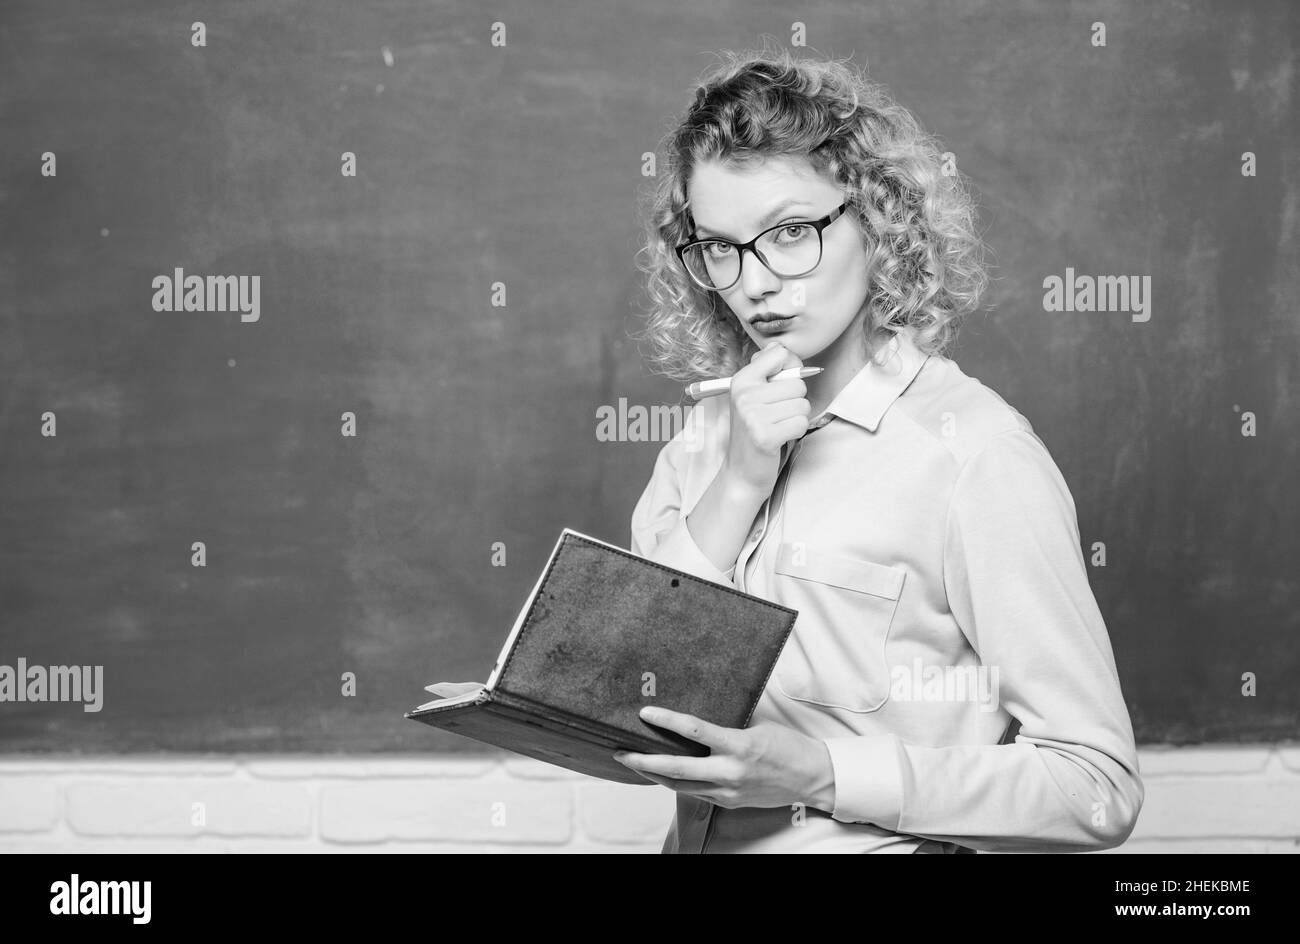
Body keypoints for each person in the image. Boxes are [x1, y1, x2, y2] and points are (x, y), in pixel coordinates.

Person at [617, 44, 1144, 853]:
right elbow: (635, 685)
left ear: (875, 217)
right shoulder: (703, 441)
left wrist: (821, 774)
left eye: (789, 232)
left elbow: (1095, 788)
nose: (753, 281)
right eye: (718, 247)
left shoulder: (974, 454)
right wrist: (737, 485)